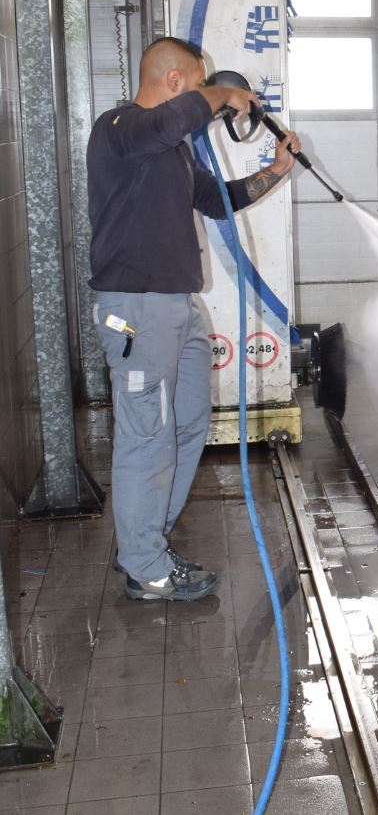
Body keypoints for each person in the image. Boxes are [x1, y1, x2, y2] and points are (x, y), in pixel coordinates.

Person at [87, 36, 302, 601]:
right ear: (177, 81)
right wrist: (223, 92)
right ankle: (147, 568)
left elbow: (219, 199)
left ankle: (144, 540)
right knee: (146, 436)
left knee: (186, 423)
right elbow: (165, 123)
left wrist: (276, 171)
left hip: (177, 306)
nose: (208, 100)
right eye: (199, 83)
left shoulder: (176, 150)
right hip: (136, 307)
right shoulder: (120, 129)